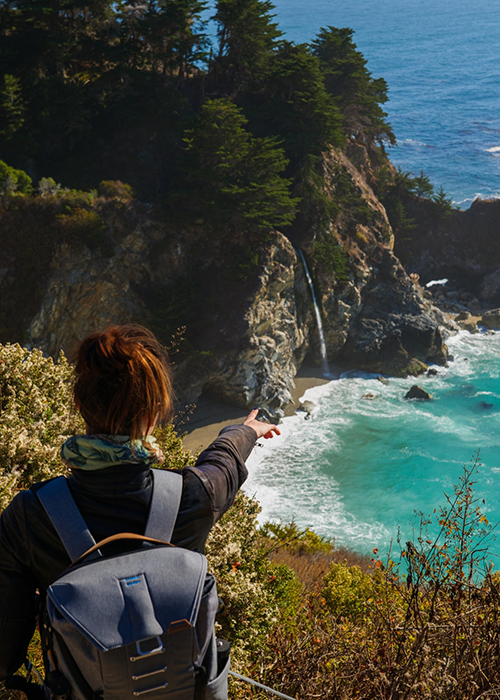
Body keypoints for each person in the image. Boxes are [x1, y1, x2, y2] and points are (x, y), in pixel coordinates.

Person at [0, 324, 280, 681]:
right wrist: (244, 431)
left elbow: (4, 655)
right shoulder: (193, 496)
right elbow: (221, 464)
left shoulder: (31, 514)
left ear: (81, 404)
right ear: (155, 411)